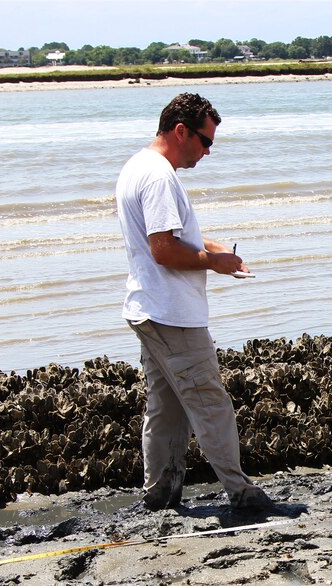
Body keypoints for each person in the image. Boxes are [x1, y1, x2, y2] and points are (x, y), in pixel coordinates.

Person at [116, 93, 272, 512]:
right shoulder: (160, 177)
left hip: (149, 308)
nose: (207, 152)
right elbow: (163, 250)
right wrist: (214, 264)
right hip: (171, 314)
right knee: (210, 402)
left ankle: (158, 495)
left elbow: (168, 235)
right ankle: (244, 494)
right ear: (180, 130)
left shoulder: (139, 166)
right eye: (205, 142)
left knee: (166, 406)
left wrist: (215, 248)